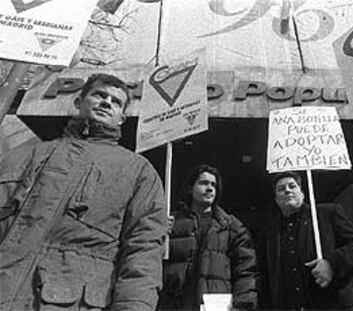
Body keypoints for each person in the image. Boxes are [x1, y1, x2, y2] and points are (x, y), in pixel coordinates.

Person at [0, 73, 167, 310]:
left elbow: (144, 251)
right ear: (78, 102)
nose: (107, 102)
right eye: (99, 95)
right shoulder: (25, 154)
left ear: (122, 118)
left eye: (116, 101)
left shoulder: (139, 171)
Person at [258, 171, 353, 310]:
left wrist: (331, 264)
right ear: (276, 199)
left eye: (292, 186)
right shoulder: (270, 234)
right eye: (281, 189)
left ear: (302, 193)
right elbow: (265, 277)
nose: (287, 190)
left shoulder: (327, 213)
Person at [158, 164, 258, 310]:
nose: (210, 188)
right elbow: (151, 263)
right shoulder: (170, 223)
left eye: (214, 185)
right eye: (204, 183)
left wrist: (242, 307)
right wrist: (157, 235)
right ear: (190, 188)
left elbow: (246, 271)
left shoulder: (232, 227)